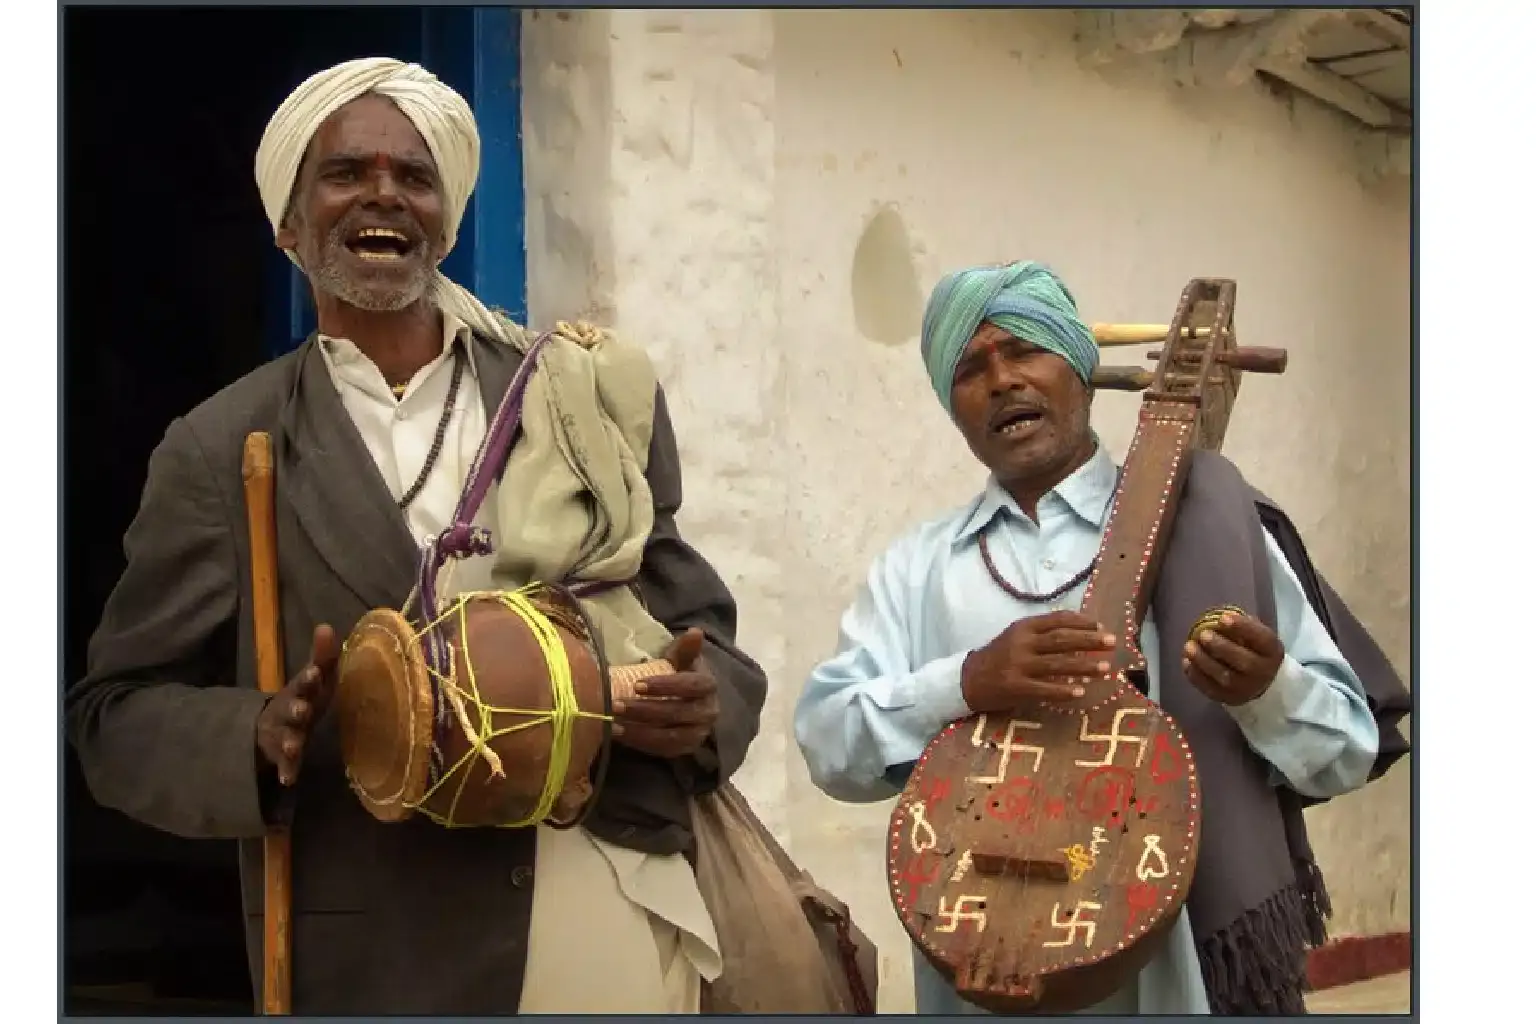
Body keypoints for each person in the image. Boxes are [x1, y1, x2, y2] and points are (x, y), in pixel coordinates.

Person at [64, 58, 768, 1015]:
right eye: (346, 174)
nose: (384, 194)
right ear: (288, 223)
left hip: (602, 897)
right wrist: (258, 732)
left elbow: (709, 639)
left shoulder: (576, 393)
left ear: (447, 215)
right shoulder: (224, 447)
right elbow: (114, 718)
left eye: (415, 175)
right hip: (385, 952)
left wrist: (700, 707)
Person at [793, 261, 1410, 1015]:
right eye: (971, 368)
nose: (1003, 381)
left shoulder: (1212, 526)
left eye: (1025, 349)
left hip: (1194, 984)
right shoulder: (919, 566)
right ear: (951, 406)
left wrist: (1267, 692)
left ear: (1082, 369)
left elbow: (1348, 749)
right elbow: (827, 739)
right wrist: (964, 684)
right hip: (988, 974)